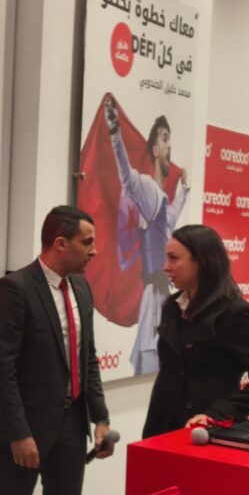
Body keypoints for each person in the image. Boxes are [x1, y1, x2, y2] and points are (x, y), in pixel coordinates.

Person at [0, 206, 113, 495]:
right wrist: (19, 433)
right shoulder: (15, 288)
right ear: (61, 244)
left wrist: (101, 419)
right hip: (25, 427)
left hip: (71, 425)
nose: (94, 251)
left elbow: (87, 359)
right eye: (87, 242)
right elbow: (1, 369)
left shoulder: (81, 288)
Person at [142, 224, 249, 438]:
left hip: (208, 432)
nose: (166, 267)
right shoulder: (172, 306)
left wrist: (217, 414)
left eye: (174, 258)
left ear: (202, 261)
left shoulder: (233, 312)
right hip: (161, 427)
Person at [105, 98, 189, 375]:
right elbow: (127, 179)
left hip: (164, 298)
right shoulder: (147, 189)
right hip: (154, 298)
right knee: (152, 368)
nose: (170, 146)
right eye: (165, 139)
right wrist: (115, 133)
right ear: (154, 149)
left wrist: (185, 192)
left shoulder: (161, 198)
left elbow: (170, 220)